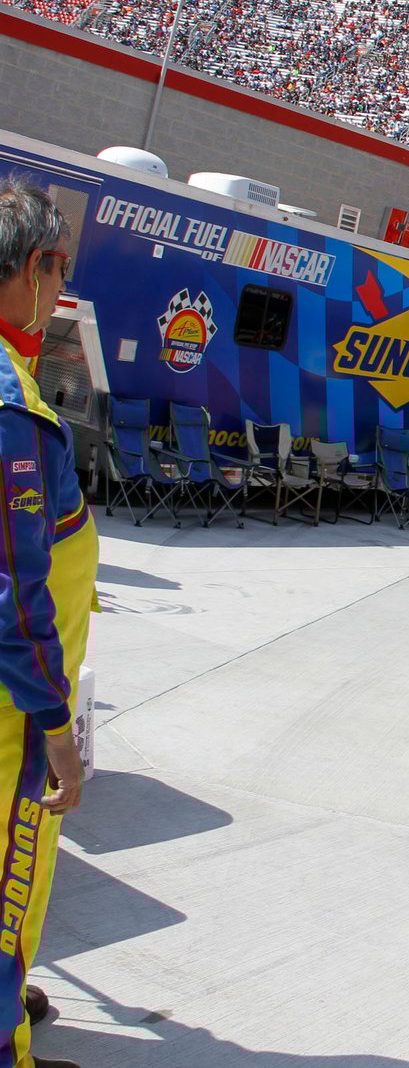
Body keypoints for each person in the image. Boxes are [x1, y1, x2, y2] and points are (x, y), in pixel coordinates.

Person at [0, 180, 89, 1068]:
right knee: (5, 883)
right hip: (12, 711)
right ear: (32, 270)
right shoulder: (12, 407)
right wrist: (56, 724)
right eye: (56, 273)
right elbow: (15, 592)